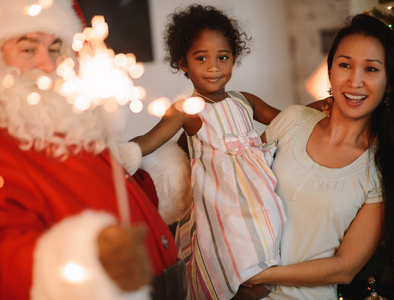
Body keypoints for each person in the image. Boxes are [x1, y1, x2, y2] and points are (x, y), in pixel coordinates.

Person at [0, 0, 190, 299]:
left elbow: (91, 193)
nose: (49, 65)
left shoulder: (62, 121)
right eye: (29, 49)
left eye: (54, 48)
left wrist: (166, 181)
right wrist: (91, 264)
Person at [131, 5, 323, 299]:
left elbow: (288, 118)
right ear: (183, 63)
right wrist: (121, 153)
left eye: (223, 57)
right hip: (222, 204)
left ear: (234, 59)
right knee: (232, 265)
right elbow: (150, 141)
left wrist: (321, 108)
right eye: (201, 58)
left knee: (267, 257)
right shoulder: (188, 110)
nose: (213, 67)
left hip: (261, 197)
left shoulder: (244, 100)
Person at [242, 13, 392, 299]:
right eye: (345, 65)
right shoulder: (292, 120)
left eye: (371, 69)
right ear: (331, 71)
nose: (355, 80)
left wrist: (259, 275)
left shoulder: (380, 169)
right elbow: (239, 189)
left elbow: (344, 267)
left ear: (388, 81)